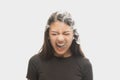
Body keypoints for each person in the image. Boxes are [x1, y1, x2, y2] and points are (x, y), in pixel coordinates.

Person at [26, 11, 93, 80]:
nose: (60, 39)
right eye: (54, 34)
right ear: (48, 35)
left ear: (74, 35)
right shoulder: (35, 62)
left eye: (66, 33)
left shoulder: (84, 65)